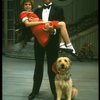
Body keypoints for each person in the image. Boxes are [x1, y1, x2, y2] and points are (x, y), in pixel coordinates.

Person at [19, 0, 76, 100]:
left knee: (53, 68)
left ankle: (55, 93)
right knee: (38, 67)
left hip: (52, 43)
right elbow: (31, 26)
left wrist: (53, 30)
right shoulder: (37, 10)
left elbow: (62, 26)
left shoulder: (58, 9)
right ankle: (34, 91)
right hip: (39, 43)